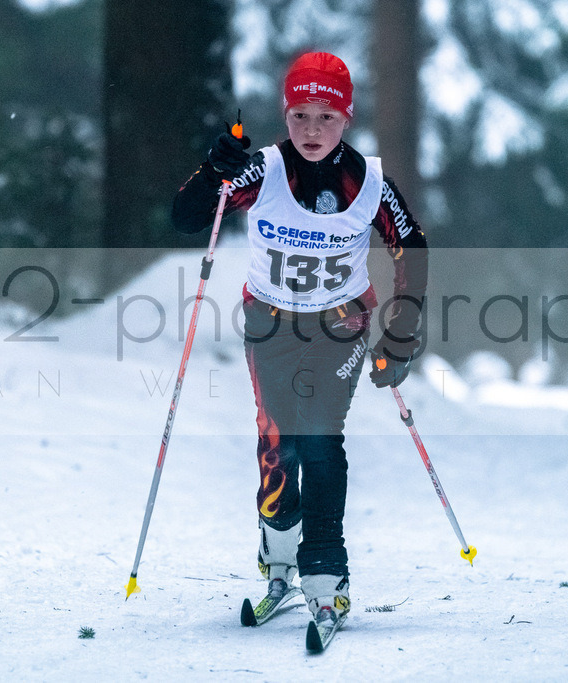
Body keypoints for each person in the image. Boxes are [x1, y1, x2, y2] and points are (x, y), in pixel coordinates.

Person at [172, 52, 428, 631]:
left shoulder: (370, 181)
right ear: (285, 115)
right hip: (269, 322)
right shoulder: (259, 171)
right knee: (277, 444)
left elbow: (411, 249)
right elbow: (186, 217)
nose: (313, 131)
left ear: (347, 118)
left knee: (319, 440)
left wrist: (403, 333)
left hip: (341, 326)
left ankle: (326, 577)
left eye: (327, 117)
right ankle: (279, 565)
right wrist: (215, 170)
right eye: (301, 116)